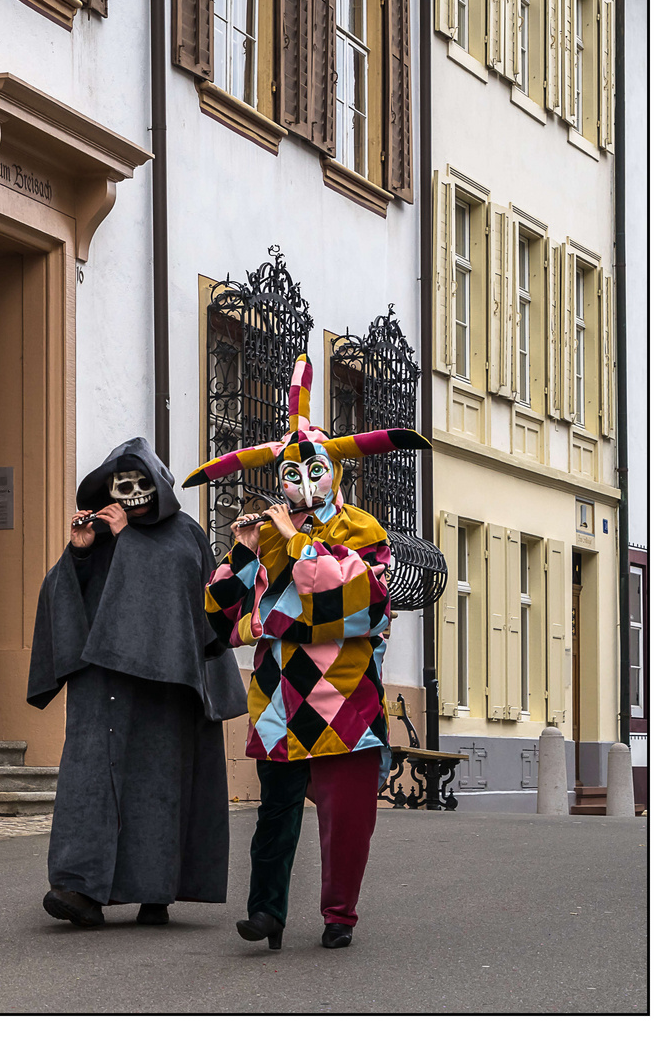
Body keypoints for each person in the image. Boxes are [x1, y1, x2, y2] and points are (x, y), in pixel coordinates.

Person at [183, 354, 431, 950]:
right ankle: (266, 914)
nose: (299, 485)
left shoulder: (365, 530)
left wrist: (288, 574)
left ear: (333, 471)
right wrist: (243, 553)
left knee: (346, 821)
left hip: (348, 692)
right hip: (280, 694)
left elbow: (362, 608)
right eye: (289, 474)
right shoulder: (264, 534)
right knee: (276, 815)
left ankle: (339, 916)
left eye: (311, 470)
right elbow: (217, 617)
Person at [28, 438, 246, 928]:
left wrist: (128, 539)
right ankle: (79, 887)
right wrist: (80, 556)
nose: (132, 494)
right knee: (90, 781)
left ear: (158, 486)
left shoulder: (182, 534)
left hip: (166, 685)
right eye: (122, 485)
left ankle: (157, 889)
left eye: (141, 484)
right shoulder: (101, 534)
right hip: (101, 678)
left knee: (158, 786)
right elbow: (61, 596)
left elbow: (183, 595)